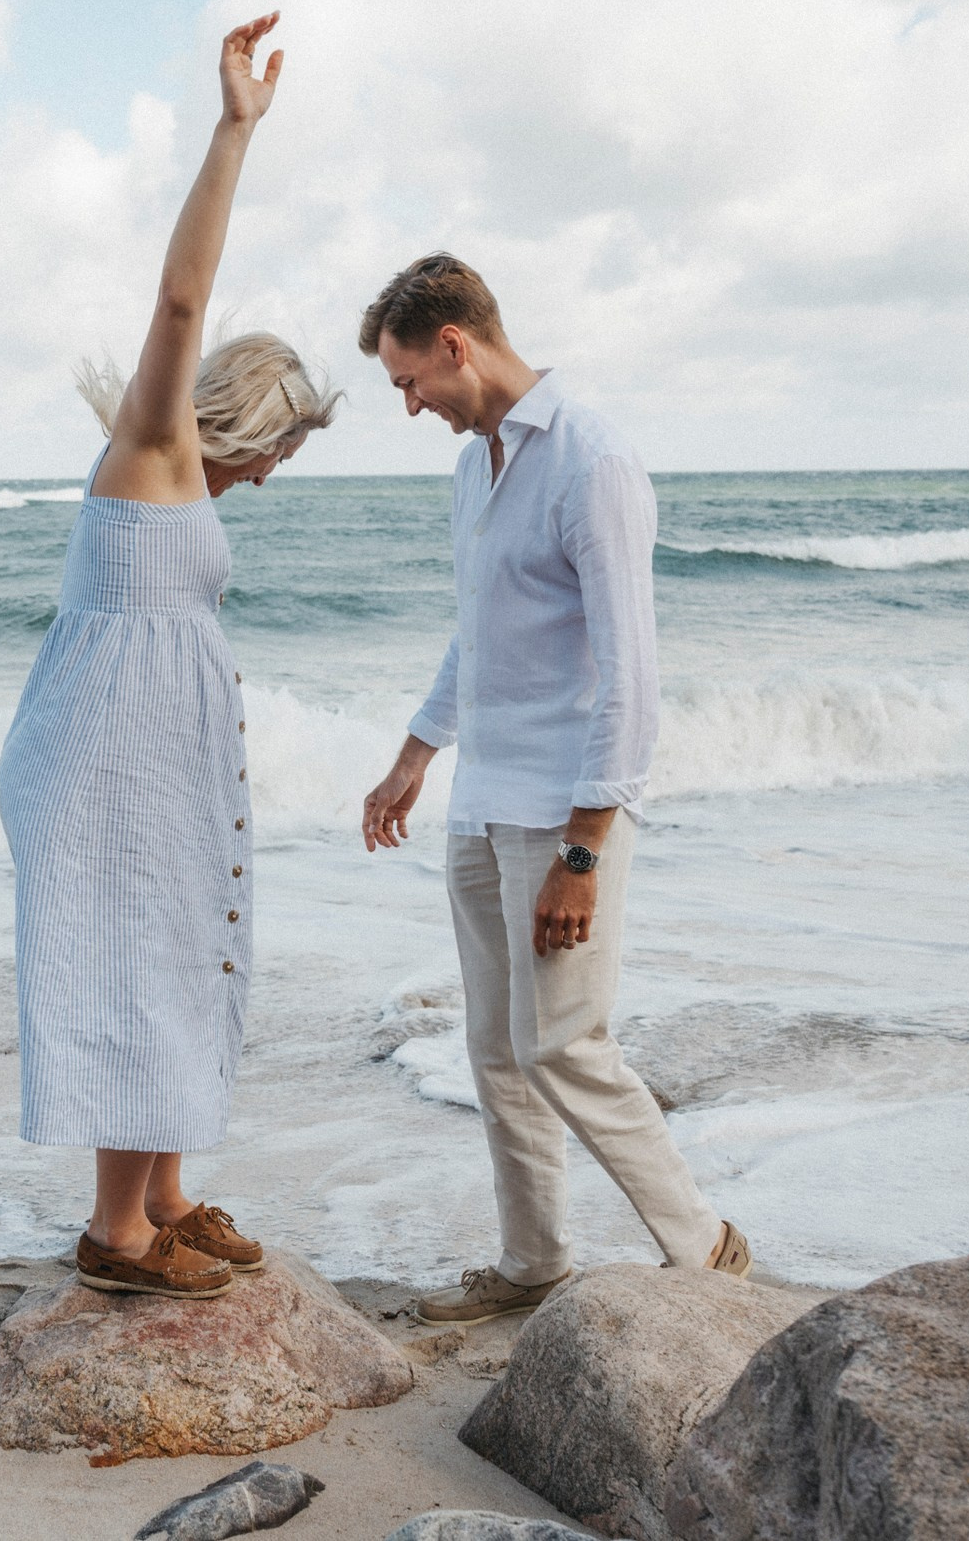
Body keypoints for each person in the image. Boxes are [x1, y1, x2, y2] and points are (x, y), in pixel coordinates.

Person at [0, 14, 340, 1301]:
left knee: (185, 948)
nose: (269, 475)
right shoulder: (154, 449)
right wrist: (233, 133)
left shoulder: (185, 483)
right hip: (103, 765)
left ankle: (168, 1197)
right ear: (239, 418)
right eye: (278, 450)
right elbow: (181, 297)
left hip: (151, 755)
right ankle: (114, 1233)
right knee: (136, 966)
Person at [357, 253, 749, 1325]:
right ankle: (532, 1261)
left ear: (455, 345)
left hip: (560, 812)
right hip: (483, 800)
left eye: (409, 381)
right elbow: (477, 630)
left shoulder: (592, 461)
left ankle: (705, 1247)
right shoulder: (474, 465)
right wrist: (415, 750)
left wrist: (584, 847)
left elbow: (630, 673)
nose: (408, 404)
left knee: (563, 1042)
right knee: (495, 1049)